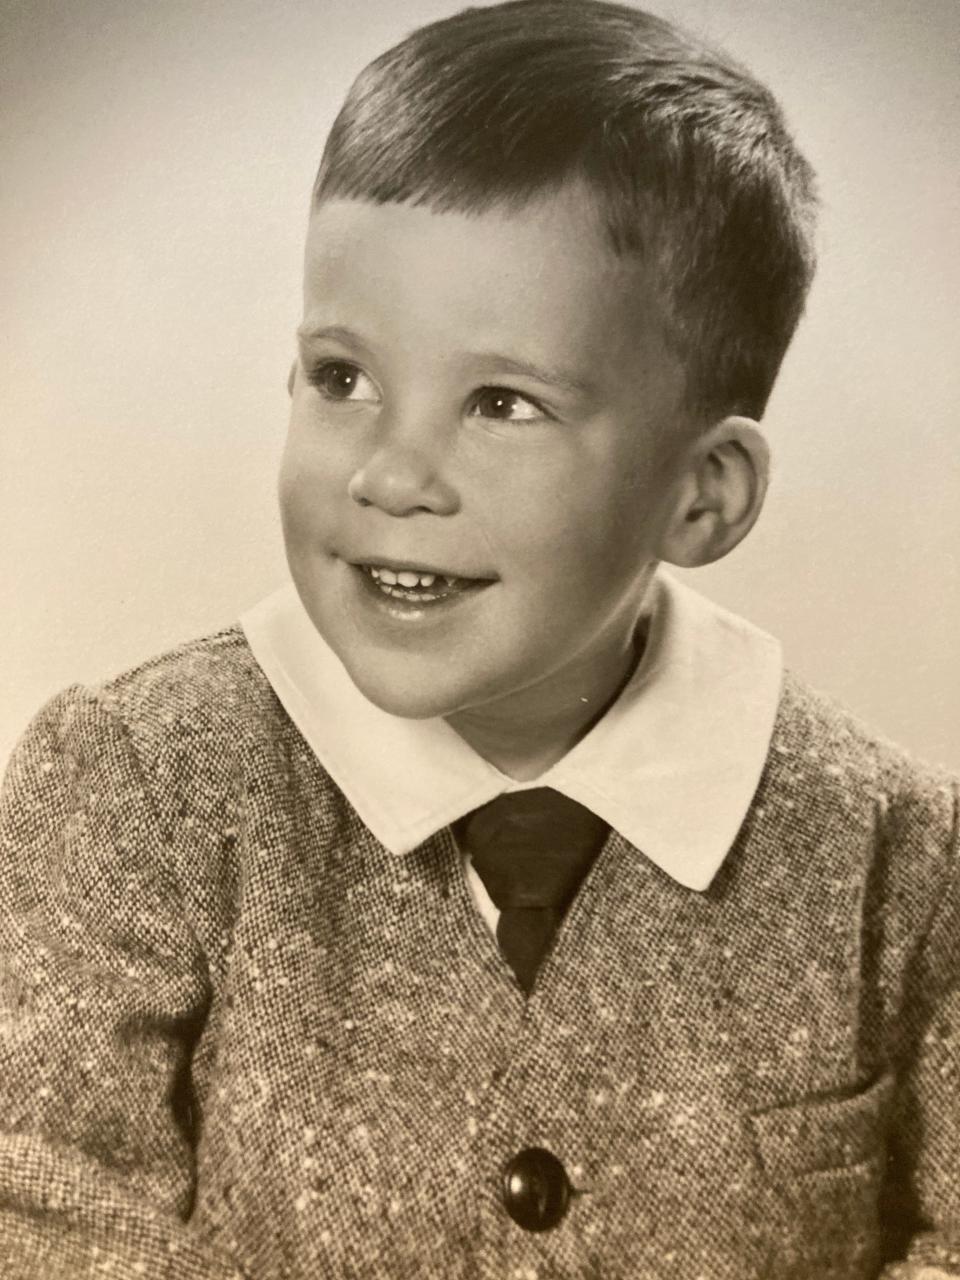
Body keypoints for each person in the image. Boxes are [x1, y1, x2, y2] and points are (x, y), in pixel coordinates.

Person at [1, 1, 957, 1277]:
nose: (392, 473)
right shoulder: (134, 788)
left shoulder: (901, 857)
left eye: (501, 401)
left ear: (703, 494)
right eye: (343, 377)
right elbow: (42, 1216)